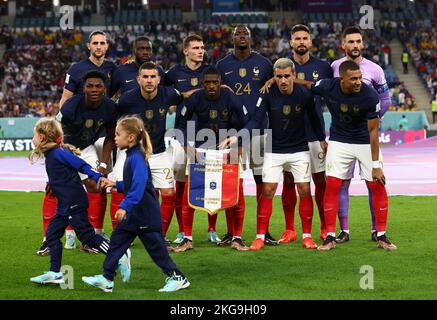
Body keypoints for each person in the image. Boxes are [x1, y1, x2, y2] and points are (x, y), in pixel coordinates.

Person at [82, 116, 190, 293]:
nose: (114, 138)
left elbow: (139, 186)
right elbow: (136, 183)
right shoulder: (132, 155)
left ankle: (178, 278)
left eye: (118, 134)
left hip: (145, 214)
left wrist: (125, 206)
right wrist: (115, 184)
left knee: (157, 252)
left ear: (131, 137)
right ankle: (107, 278)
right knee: (116, 243)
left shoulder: (137, 157)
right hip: (136, 214)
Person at [29, 118, 130, 286]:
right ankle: (55, 273)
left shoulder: (59, 153)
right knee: (52, 235)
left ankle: (120, 254)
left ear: (42, 137)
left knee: (88, 237)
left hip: (73, 203)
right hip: (64, 205)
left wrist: (99, 177)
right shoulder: (53, 153)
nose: (33, 138)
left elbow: (82, 165)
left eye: (34, 134)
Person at [313, 60, 396, 251]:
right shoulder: (328, 86)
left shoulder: (370, 95)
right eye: (353, 79)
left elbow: (374, 131)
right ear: (342, 79)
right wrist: (289, 80)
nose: (359, 82)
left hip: (364, 141)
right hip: (339, 141)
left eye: (359, 77)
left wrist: (376, 164)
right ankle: (330, 237)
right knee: (332, 185)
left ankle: (381, 235)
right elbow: (310, 86)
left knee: (378, 184)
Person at [261, 24, 333, 243]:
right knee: (290, 181)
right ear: (291, 42)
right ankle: (290, 229)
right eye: (297, 38)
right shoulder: (282, 66)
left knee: (319, 181)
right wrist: (277, 78)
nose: (301, 42)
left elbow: (319, 89)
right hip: (289, 136)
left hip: (314, 132)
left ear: (310, 41)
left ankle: (323, 227)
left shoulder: (323, 67)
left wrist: (279, 79)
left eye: (305, 38)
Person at [248, 58, 326, 251]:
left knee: (305, 190)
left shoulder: (304, 95)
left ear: (294, 75)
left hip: (299, 150)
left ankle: (307, 236)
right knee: (267, 191)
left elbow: (315, 119)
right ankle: (259, 237)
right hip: (274, 150)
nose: (283, 80)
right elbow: (256, 120)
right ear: (274, 77)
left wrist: (322, 139)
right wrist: (239, 136)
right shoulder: (267, 94)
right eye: (279, 77)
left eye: (287, 76)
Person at [36, 71, 117, 255]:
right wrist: (54, 174)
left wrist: (103, 165)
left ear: (104, 89)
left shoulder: (110, 107)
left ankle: (88, 237)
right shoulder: (71, 106)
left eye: (98, 86)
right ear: (83, 88)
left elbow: (110, 138)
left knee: (95, 186)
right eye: (90, 86)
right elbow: (55, 135)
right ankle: (47, 241)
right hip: (63, 147)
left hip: (86, 148)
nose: (94, 89)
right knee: (53, 189)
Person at [173, 66, 251, 252]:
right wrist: (186, 146)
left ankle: (237, 238)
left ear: (220, 83)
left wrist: (238, 145)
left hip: (227, 151)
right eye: (207, 82)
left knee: (236, 192)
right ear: (202, 83)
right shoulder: (195, 98)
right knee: (189, 193)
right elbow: (180, 124)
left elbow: (247, 123)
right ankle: (187, 238)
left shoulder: (231, 98)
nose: (211, 86)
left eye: (214, 82)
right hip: (200, 151)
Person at [330, 26, 391, 243]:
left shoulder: (374, 70)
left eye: (358, 41)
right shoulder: (335, 67)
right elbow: (331, 94)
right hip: (343, 137)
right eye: (351, 42)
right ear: (343, 45)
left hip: (366, 137)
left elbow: (386, 100)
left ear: (362, 44)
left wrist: (372, 121)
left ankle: (377, 230)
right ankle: (344, 231)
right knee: (341, 183)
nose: (355, 45)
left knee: (374, 182)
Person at [216, 24, 275, 246]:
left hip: (259, 131)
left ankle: (264, 232)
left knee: (262, 181)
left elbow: (276, 85)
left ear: (251, 38)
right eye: (238, 34)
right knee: (231, 183)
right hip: (231, 133)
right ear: (232, 38)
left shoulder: (264, 63)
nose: (242, 37)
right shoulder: (222, 65)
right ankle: (232, 233)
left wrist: (271, 80)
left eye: (245, 34)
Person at [114, 62, 182, 241]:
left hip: (158, 153)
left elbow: (187, 96)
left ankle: (160, 236)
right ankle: (119, 236)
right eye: (145, 77)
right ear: (138, 79)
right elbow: (113, 121)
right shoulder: (127, 100)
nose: (149, 80)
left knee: (168, 194)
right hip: (132, 154)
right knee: (119, 190)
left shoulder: (169, 94)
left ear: (159, 79)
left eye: (153, 76)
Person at [164, 34, 220, 245]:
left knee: (210, 183)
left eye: (202, 47)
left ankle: (212, 229)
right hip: (182, 134)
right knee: (181, 184)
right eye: (196, 47)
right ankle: (181, 230)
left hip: (210, 134)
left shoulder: (211, 72)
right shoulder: (174, 73)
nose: (200, 51)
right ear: (185, 51)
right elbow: (160, 88)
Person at [59, 30, 115, 107]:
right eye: (95, 43)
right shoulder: (75, 69)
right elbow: (65, 98)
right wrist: (62, 117)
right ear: (89, 46)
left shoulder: (112, 67)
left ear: (107, 46)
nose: (98, 47)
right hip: (81, 116)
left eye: (102, 43)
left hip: (105, 116)